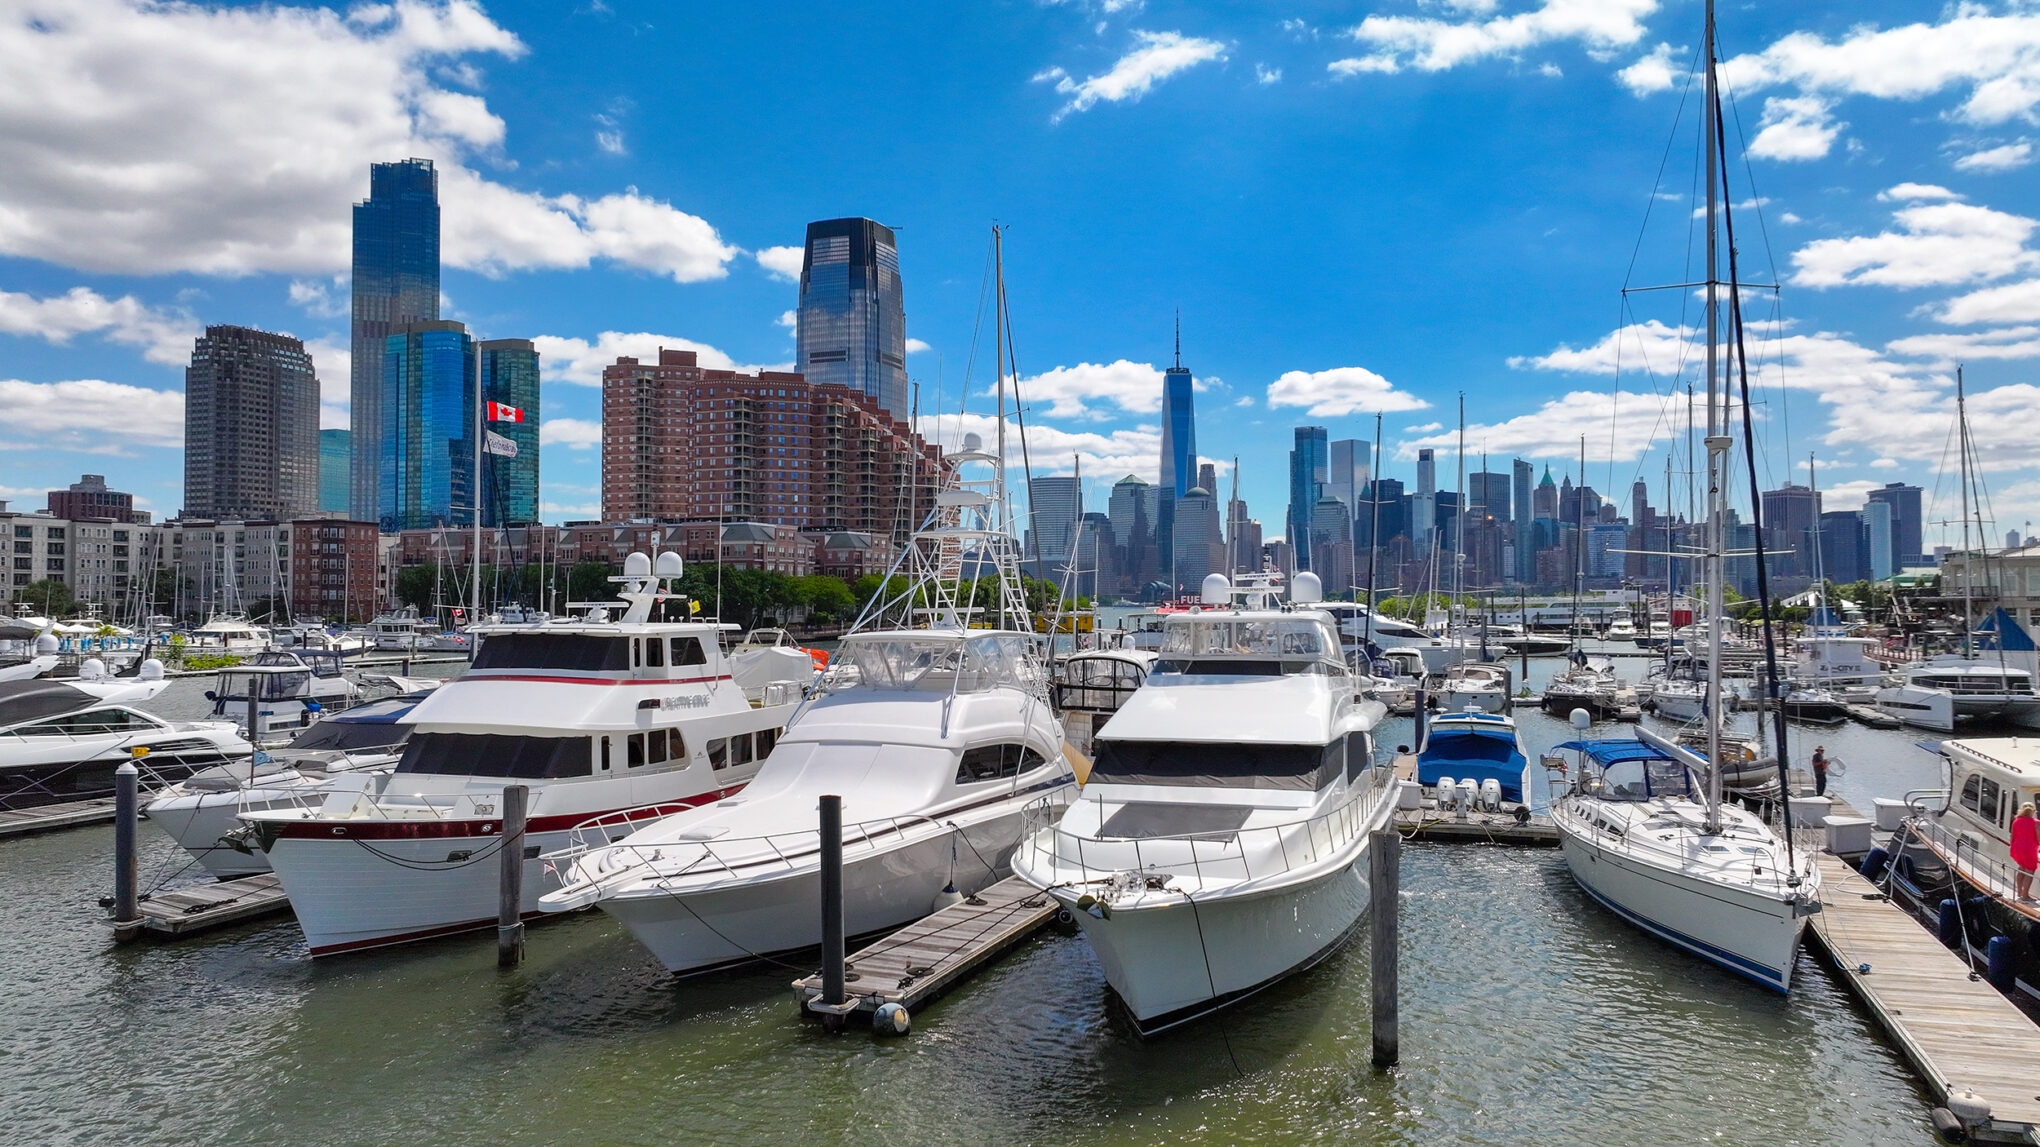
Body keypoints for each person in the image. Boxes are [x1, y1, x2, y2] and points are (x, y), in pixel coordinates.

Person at [2013, 802, 2038, 902]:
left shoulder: (2016, 821)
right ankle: (2025, 895)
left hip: (2017, 848)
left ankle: (2019, 891)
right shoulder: (2036, 822)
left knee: (2021, 869)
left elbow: (2013, 836)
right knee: (2029, 872)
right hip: (2029, 849)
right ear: (2033, 811)